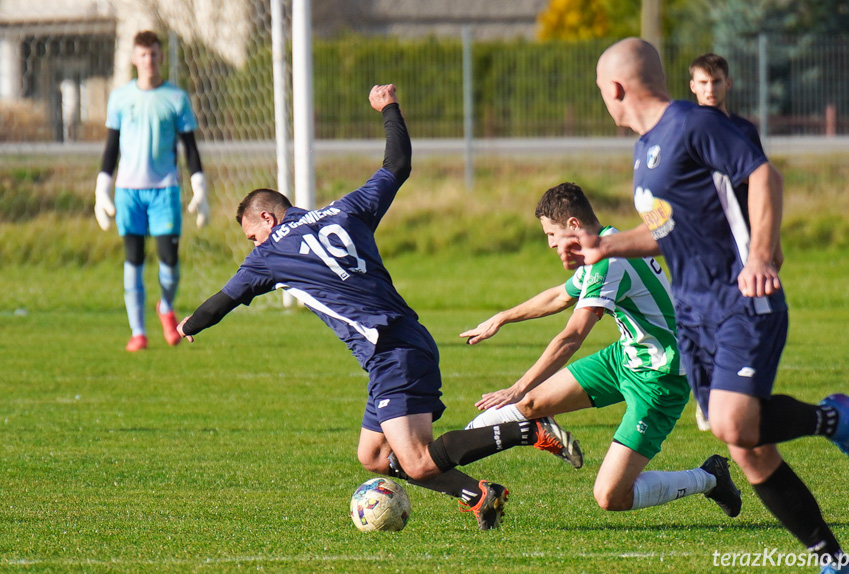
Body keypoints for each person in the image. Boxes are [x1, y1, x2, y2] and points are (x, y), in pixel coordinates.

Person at [176, 84, 582, 530]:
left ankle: (530, 430)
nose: (252, 246)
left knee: (419, 461)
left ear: (268, 219)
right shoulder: (346, 209)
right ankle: (479, 494)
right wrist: (389, 108)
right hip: (401, 345)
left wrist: (190, 323)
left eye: (251, 235)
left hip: (390, 349)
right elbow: (398, 164)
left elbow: (224, 299)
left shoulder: (270, 253)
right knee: (373, 456)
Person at [558, 37, 849, 574]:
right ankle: (836, 562)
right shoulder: (645, 149)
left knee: (733, 419)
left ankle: (837, 421)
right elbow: (667, 227)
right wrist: (608, 244)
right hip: (693, 313)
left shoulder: (694, 125)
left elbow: (763, 174)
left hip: (740, 296)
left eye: (601, 93)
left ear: (615, 88)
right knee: (745, 445)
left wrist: (762, 254)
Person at [460, 182, 742, 517]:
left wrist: (519, 385)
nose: (550, 243)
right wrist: (501, 318)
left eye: (552, 234)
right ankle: (452, 461)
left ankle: (709, 477)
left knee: (610, 496)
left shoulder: (611, 262)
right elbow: (559, 296)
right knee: (529, 405)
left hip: (661, 379)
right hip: (624, 358)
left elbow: (572, 337)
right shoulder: (605, 248)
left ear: (574, 225)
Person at [94, 30, 210, 352]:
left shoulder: (176, 98)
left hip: (164, 190)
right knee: (134, 260)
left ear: (161, 57)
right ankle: (138, 332)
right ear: (134, 58)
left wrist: (199, 187)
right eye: (143, 55)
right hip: (128, 192)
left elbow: (190, 148)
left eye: (154, 54)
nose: (149, 60)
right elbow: (111, 147)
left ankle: (165, 307)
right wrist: (101, 188)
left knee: (169, 262)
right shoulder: (119, 97)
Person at [688, 52, 768, 432]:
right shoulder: (685, 131)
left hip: (740, 246)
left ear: (728, 83)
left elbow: (761, 185)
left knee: (741, 317)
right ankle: (709, 397)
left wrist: (766, 245)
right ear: (692, 86)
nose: (710, 89)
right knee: (699, 319)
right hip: (698, 246)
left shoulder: (743, 131)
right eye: (702, 82)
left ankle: (732, 393)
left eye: (716, 81)